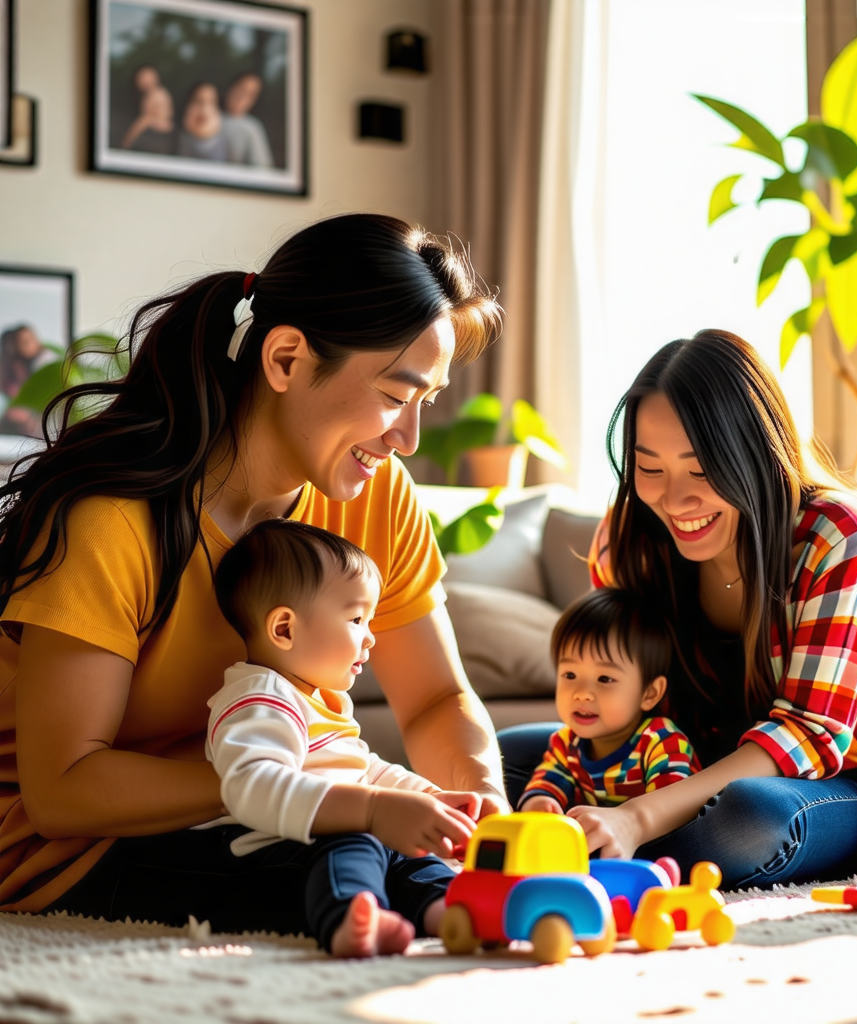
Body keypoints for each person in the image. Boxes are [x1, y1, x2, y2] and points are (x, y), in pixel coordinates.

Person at [0, 213, 507, 944]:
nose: (409, 439)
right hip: (76, 851)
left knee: (513, 765)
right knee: (349, 843)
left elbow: (433, 699)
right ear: (286, 359)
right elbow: (63, 790)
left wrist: (480, 812)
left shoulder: (376, 494)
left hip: (266, 798)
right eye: (397, 397)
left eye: (426, 403)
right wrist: (312, 794)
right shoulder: (113, 520)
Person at [499, 329, 857, 889]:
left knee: (750, 818)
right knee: (513, 755)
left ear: (756, 454)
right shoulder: (626, 542)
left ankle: (620, 849)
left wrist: (638, 814)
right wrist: (561, 788)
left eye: (702, 467)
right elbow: (632, 710)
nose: (675, 499)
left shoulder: (833, 535)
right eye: (651, 468)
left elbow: (809, 736)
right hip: (692, 762)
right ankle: (618, 850)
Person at [209, 518, 478, 956]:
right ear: (284, 629)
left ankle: (449, 910)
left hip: (337, 838)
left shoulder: (323, 699)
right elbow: (250, 786)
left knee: (411, 852)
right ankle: (352, 916)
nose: (371, 638)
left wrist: (430, 798)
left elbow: (365, 768)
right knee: (354, 843)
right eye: (356, 618)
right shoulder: (259, 697)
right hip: (267, 854)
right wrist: (370, 810)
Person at [518, 587, 698, 814]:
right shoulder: (567, 743)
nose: (582, 693)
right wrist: (541, 802)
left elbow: (671, 807)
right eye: (569, 675)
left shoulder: (660, 741)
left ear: (649, 693)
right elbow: (548, 780)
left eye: (605, 678)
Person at [222, 72, 275, 168]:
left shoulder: (252, 127)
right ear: (231, 88)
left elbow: (262, 169)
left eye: (250, 94)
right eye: (241, 89)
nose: (242, 97)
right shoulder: (208, 118)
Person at [120, 65, 175, 155]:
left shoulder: (154, 95)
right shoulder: (162, 92)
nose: (142, 80)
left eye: (145, 77)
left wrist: (127, 142)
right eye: (140, 77)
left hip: (157, 136)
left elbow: (145, 119)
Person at [177, 82, 228, 162]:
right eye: (198, 101)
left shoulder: (231, 144)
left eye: (211, 102)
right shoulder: (170, 142)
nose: (204, 109)